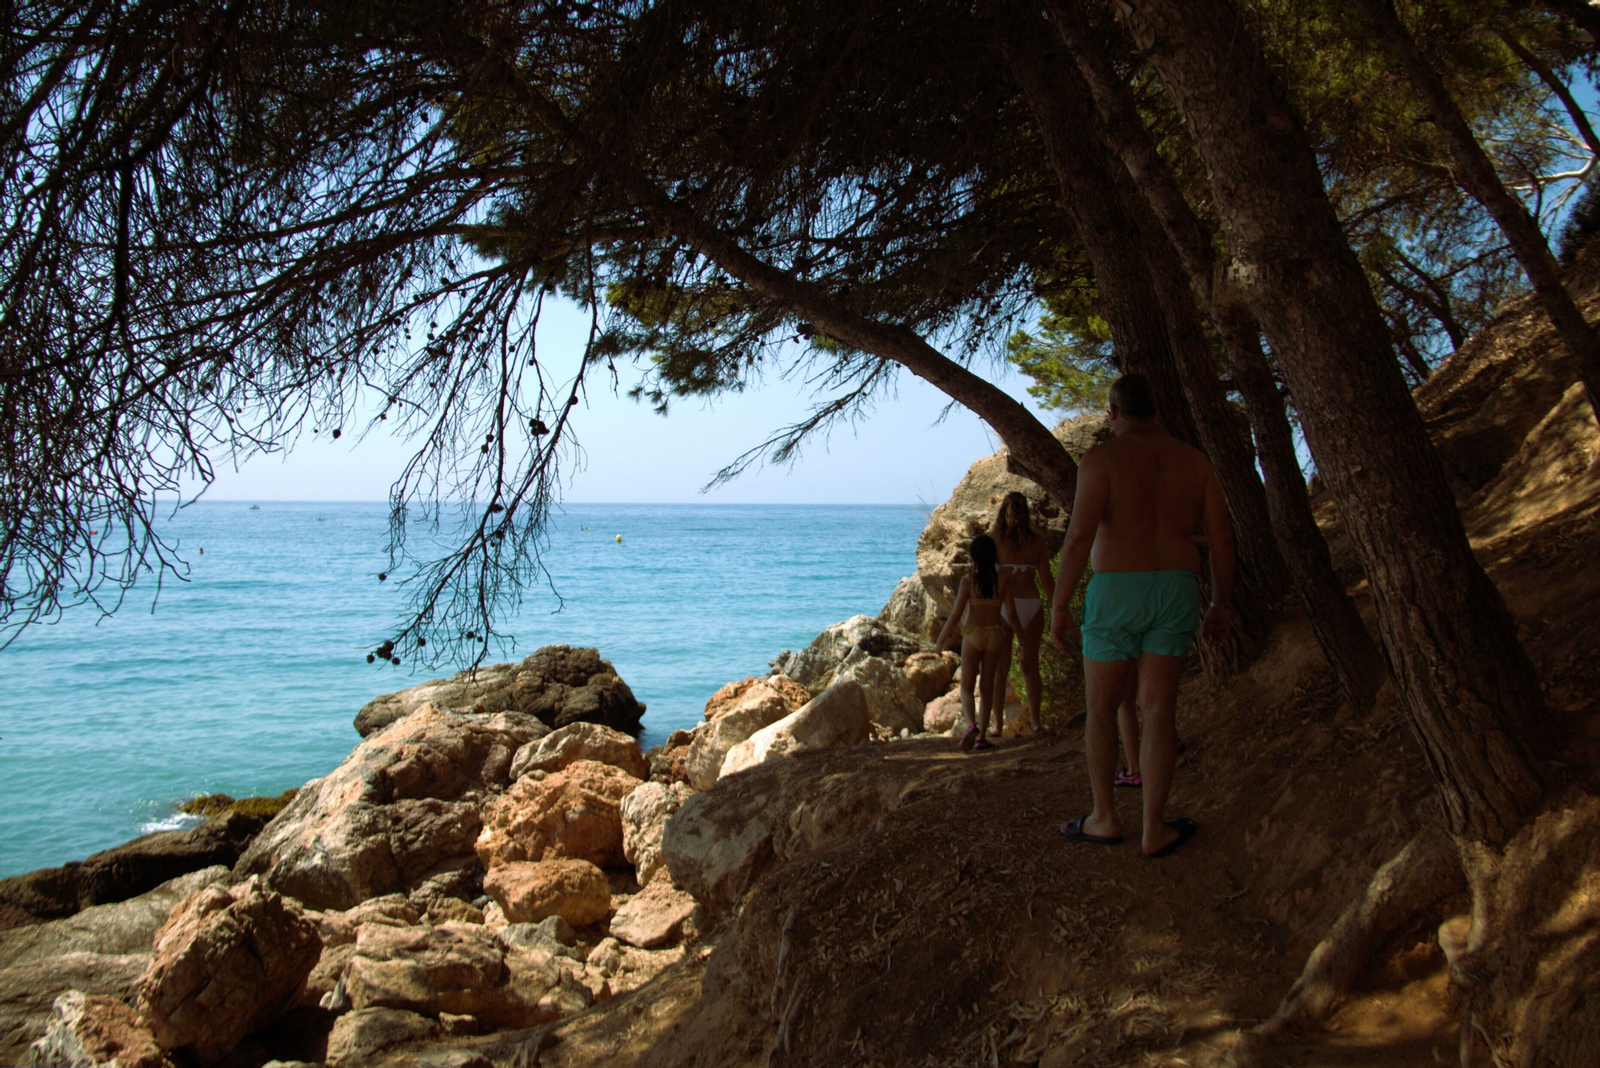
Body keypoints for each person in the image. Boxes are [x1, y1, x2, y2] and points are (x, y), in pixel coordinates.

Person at [1049, 373, 1234, 857]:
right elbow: (1221, 539)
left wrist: (1059, 605)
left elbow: (1079, 538)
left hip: (1115, 591)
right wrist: (1221, 603)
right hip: (1175, 587)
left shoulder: (1101, 460)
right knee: (1158, 712)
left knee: (1103, 708)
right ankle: (1155, 827)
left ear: (1113, 413)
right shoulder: (1194, 462)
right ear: (1156, 409)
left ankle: (1105, 817)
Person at [936, 535, 1019, 752]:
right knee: (987, 686)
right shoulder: (1004, 581)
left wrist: (940, 640)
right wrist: (1023, 640)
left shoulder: (968, 581)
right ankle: (982, 735)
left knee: (966, 686)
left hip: (972, 634)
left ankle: (970, 725)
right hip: (995, 634)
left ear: (972, 556)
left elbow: (955, 615)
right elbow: (1011, 614)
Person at [990, 491, 1056, 736]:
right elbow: (1047, 580)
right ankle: (1036, 722)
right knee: (1030, 666)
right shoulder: (1037, 541)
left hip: (1003, 608)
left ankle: (996, 726)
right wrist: (1058, 608)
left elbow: (984, 578)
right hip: (1031, 605)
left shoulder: (994, 540)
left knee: (1001, 668)